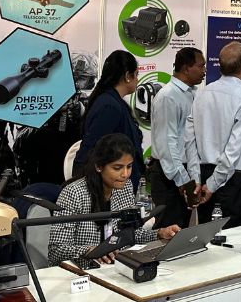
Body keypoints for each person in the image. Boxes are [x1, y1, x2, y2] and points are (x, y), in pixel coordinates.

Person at [48, 134, 179, 267]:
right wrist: (91, 251)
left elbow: (131, 234)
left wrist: (159, 233)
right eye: (117, 168)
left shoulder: (125, 187)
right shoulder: (73, 193)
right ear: (99, 166)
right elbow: (56, 250)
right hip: (82, 271)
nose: (125, 174)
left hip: (116, 268)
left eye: (129, 166)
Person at [186, 40, 241, 227]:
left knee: (207, 235)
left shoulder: (202, 94)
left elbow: (190, 141)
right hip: (233, 178)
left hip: (204, 175)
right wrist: (212, 184)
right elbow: (234, 148)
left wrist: (196, 180)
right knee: (234, 238)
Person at [148, 46, 207, 229]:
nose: (204, 70)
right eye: (201, 66)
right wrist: (183, 181)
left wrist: (194, 178)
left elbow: (190, 140)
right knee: (168, 231)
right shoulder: (168, 97)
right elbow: (168, 144)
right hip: (169, 175)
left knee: (182, 231)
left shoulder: (191, 94)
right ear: (186, 68)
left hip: (184, 171)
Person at [77, 51, 143, 191]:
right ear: (127, 76)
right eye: (136, 74)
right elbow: (90, 148)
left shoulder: (114, 102)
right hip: (109, 188)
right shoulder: (109, 106)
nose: (138, 80)